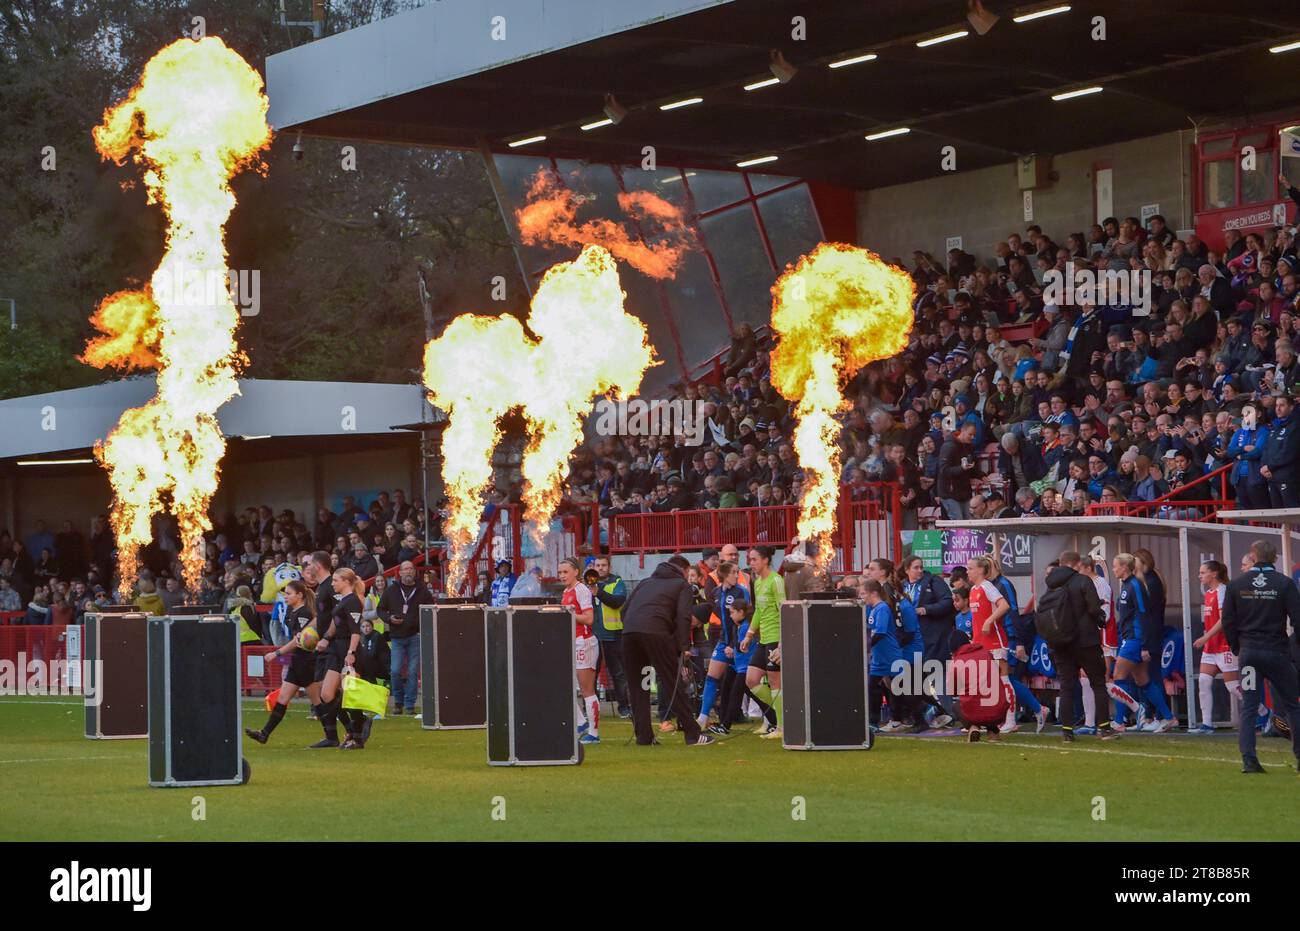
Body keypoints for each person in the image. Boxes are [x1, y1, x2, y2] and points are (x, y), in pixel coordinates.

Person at [1221, 540, 1300, 773]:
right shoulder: (1284, 583)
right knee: (1292, 706)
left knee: (1249, 706)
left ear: (1253, 557)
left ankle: (1249, 760)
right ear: (1275, 559)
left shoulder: (1236, 585)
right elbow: (1298, 619)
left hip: (1249, 652)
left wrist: (1238, 648)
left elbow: (1228, 622)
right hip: (1277, 651)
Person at [620, 554, 715, 746]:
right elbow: (683, 617)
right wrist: (682, 647)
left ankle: (644, 736)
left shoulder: (645, 582)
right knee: (673, 682)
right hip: (656, 633)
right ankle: (693, 734)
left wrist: (634, 628)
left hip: (630, 634)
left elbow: (624, 610)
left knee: (640, 686)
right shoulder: (681, 586)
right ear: (684, 571)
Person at [1048, 553, 1118, 742]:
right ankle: (1104, 728)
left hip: (1061, 642)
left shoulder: (1051, 583)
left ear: (1061, 564)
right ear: (1077, 564)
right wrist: (1100, 620)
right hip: (1086, 641)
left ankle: (1067, 731)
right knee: (1098, 683)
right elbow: (1094, 609)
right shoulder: (1082, 581)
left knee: (1067, 687)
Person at [1107, 554, 1176, 733]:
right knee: (1142, 679)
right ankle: (1168, 717)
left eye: (1115, 566)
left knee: (1119, 676)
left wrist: (1145, 644)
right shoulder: (1126, 585)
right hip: (1132, 637)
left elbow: (1144, 615)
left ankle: (1119, 720)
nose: (1113, 569)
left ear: (1124, 567)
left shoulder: (1135, 585)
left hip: (1135, 639)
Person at [246, 579, 318, 744]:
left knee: (321, 701)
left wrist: (276, 653)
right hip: (298, 661)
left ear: (299, 595)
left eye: (289, 593)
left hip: (306, 661)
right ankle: (264, 734)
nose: (285, 596)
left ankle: (349, 728)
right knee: (283, 698)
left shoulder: (303, 613)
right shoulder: (294, 612)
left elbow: (297, 641)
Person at [694, 561, 751, 735]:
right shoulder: (716, 592)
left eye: (737, 571)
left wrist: (734, 644)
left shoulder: (741, 591)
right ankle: (702, 718)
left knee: (748, 683)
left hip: (738, 642)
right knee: (712, 677)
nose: (737, 575)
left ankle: (770, 718)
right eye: (733, 572)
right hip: (722, 641)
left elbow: (745, 618)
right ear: (724, 575)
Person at [899, 555, 955, 727]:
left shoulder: (933, 581)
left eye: (920, 567)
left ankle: (947, 713)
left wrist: (926, 609)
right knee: (915, 678)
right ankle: (932, 713)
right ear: (907, 569)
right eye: (915, 567)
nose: (919, 570)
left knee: (934, 674)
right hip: (913, 637)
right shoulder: (902, 586)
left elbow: (947, 602)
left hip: (933, 636)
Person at [965, 555, 1014, 740]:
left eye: (970, 568)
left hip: (995, 641)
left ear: (980, 570)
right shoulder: (973, 590)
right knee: (985, 684)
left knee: (1002, 680)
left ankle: (1010, 720)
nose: (968, 571)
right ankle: (989, 723)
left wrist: (989, 621)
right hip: (980, 642)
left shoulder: (987, 586)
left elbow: (1004, 606)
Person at [738, 546, 786, 739]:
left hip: (775, 638)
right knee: (751, 679)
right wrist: (749, 634)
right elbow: (758, 610)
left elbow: (785, 611)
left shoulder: (776, 580)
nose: (751, 563)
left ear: (766, 560)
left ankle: (782, 728)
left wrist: (783, 644)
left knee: (775, 683)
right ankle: (784, 712)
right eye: (750, 560)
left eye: (754, 559)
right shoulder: (757, 582)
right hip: (763, 638)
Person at [1191, 560, 1240, 734]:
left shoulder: (1223, 590)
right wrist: (1207, 639)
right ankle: (1207, 724)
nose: (1200, 576)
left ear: (1214, 574)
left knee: (1233, 686)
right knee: (1204, 682)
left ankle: (1264, 713)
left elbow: (1223, 620)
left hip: (1224, 645)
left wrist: (1205, 637)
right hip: (1211, 647)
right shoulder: (1209, 593)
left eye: (1203, 572)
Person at [378, 560, 432, 715]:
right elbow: (380, 609)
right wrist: (389, 619)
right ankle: (398, 702)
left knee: (413, 671)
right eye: (405, 569)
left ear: (415, 572)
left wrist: (422, 627)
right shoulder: (392, 590)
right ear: (400, 572)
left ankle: (409, 704)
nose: (408, 571)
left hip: (415, 636)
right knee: (395, 670)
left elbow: (430, 609)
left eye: (411, 569)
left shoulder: (422, 591)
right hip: (397, 637)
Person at [589, 556, 630, 719]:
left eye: (603, 565)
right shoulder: (589, 583)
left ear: (609, 567)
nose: (601, 568)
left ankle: (624, 706)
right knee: (592, 672)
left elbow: (617, 601)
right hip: (593, 634)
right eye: (598, 565)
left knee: (618, 672)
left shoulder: (617, 582)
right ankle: (590, 707)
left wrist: (599, 593)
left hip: (613, 634)